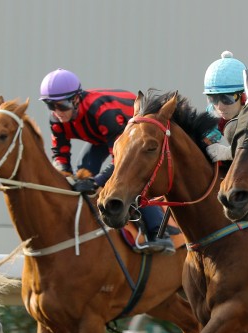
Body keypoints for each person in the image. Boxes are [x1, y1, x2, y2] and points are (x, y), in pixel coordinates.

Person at [39, 68, 174, 254]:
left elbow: (121, 164)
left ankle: (159, 232)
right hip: (102, 136)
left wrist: (96, 182)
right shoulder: (55, 119)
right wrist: (65, 178)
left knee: (128, 180)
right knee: (83, 170)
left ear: (76, 99)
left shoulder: (102, 112)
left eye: (61, 105)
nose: (57, 112)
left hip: (129, 132)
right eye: (50, 105)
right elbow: (60, 155)